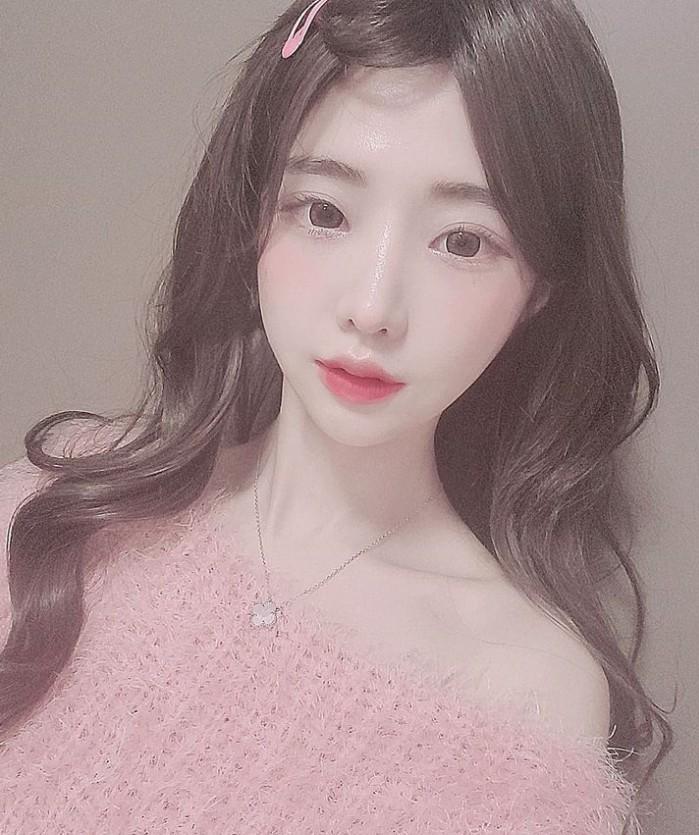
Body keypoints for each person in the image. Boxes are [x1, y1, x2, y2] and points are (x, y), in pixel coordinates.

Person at [0, 0, 674, 831]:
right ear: (254, 216)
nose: (372, 307)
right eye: (324, 212)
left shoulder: (524, 699)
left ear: (540, 288)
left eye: (463, 241)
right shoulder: (65, 506)